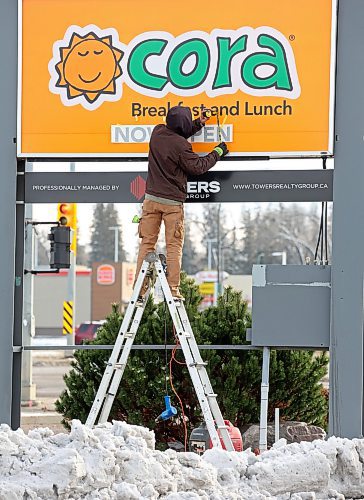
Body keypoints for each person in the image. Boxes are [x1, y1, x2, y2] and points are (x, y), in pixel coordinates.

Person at [135, 105, 229, 299]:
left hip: (151, 199)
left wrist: (198, 124)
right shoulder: (181, 146)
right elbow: (198, 166)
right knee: (173, 246)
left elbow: (178, 132)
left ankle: (140, 289)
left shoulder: (157, 132)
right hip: (172, 203)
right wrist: (218, 152)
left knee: (147, 244)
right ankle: (173, 290)